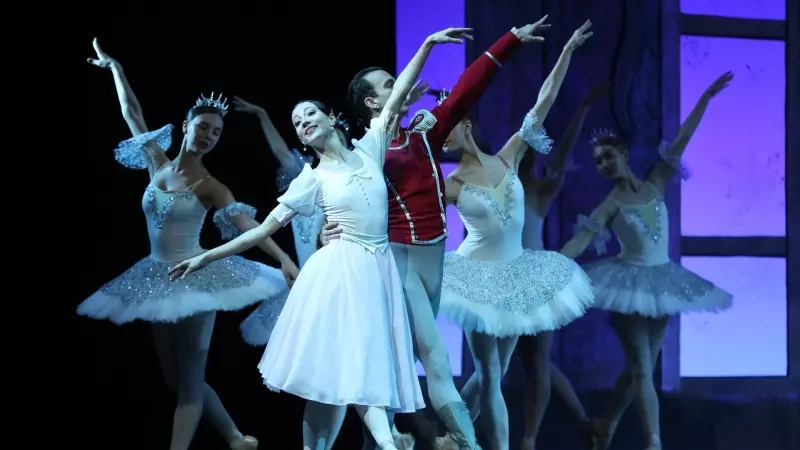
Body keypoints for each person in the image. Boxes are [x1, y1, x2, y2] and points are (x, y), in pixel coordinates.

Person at [167, 27, 474, 450]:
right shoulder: (311, 179)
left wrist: (427, 45)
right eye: (297, 123)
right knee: (349, 371)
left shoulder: (371, 147)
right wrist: (206, 257)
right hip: (342, 274)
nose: (304, 123)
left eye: (310, 114)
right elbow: (261, 230)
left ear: (331, 118)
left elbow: (399, 89)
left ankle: (380, 443)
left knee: (364, 372)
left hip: (380, 269)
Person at [326, 17, 551, 450]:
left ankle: (394, 439)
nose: (403, 86)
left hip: (433, 264)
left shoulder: (424, 136)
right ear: (373, 102)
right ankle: (463, 445)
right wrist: (331, 230)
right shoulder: (365, 153)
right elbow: (335, 193)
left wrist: (510, 41)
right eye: (391, 83)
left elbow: (468, 89)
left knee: (401, 364)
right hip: (400, 264)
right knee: (434, 361)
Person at [78, 39, 299, 450]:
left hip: (197, 276)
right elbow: (132, 113)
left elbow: (248, 224)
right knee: (174, 378)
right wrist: (115, 69)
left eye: (217, 132)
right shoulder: (156, 164)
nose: (209, 136)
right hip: (155, 274)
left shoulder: (211, 186)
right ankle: (234, 437)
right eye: (203, 127)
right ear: (186, 125)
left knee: (190, 382)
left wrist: (283, 255)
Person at [435, 21, 595, 450]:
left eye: (446, 122)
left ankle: (450, 439)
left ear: (465, 125)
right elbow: (407, 209)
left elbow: (543, 102)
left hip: (519, 272)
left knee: (497, 373)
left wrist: (567, 53)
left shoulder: (508, 155)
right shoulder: (449, 184)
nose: (440, 131)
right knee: (490, 376)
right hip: (475, 279)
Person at [560, 71, 735, 450]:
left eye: (608, 156)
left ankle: (605, 425)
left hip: (663, 282)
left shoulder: (656, 180)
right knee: (641, 367)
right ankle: (653, 443)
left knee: (642, 369)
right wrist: (553, 263)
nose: (604, 164)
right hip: (626, 284)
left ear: (624, 153)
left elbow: (684, 138)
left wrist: (705, 97)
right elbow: (581, 239)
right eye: (597, 162)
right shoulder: (610, 203)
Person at [512, 81, 610, 450]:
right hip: (505, 281)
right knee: (528, 363)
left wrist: (584, 105)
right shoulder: (498, 187)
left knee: (537, 364)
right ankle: (586, 421)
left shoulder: (540, 189)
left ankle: (529, 439)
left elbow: (564, 150)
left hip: (535, 281)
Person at [230, 96, 353, 346]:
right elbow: (278, 151)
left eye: (341, 139)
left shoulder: (351, 184)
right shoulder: (304, 178)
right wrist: (262, 113)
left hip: (336, 278)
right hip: (303, 279)